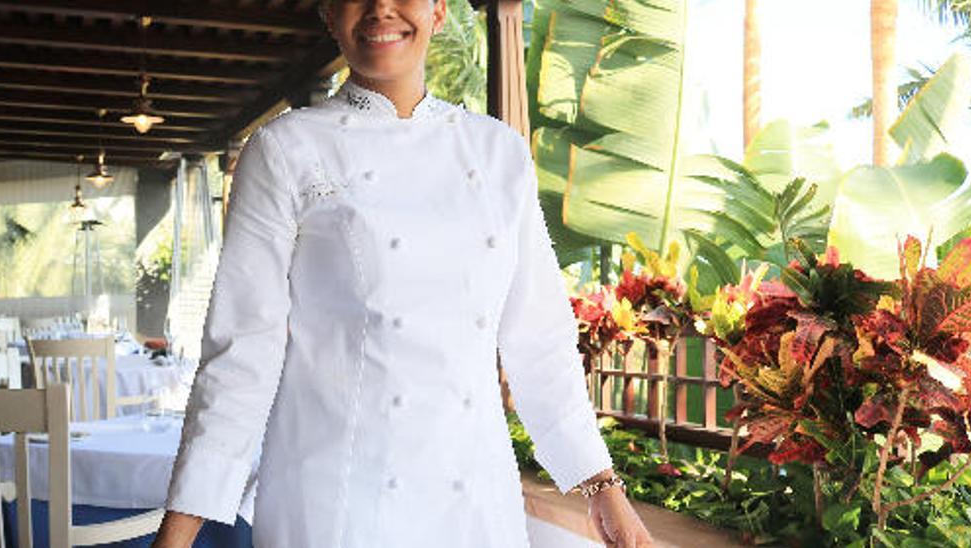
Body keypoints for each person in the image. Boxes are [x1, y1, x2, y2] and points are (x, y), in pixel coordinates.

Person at [152, 0, 655, 546]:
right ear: (328, 14)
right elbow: (244, 349)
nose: (380, 9)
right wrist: (177, 535)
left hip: (475, 503)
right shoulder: (284, 149)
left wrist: (603, 490)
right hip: (336, 504)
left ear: (439, 11)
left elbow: (540, 343)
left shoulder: (498, 153)